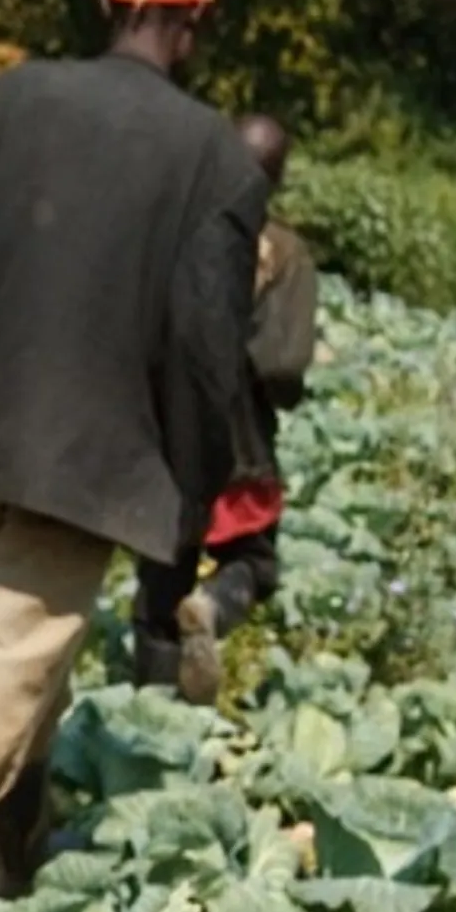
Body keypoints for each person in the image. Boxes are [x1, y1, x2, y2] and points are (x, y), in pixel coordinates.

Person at [0, 0, 267, 912]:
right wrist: (189, 498)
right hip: (98, 452)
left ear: (113, 2)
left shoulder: (13, 100)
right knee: (12, 648)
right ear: (190, 19)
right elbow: (204, 344)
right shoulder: (215, 155)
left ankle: (16, 850)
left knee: (31, 657)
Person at [131, 110, 324, 702]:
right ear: (278, 178)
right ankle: (215, 604)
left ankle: (153, 719)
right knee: (253, 562)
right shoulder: (284, 253)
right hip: (238, 442)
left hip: (165, 434)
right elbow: (282, 366)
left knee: (160, 585)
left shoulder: (170, 231)